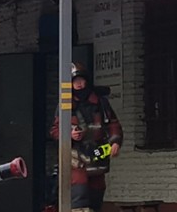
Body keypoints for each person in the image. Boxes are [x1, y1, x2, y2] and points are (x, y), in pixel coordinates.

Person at [48, 63, 122, 212]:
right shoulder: (65, 104)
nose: (79, 84)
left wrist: (115, 142)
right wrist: (69, 134)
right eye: (75, 81)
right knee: (79, 197)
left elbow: (113, 124)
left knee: (96, 195)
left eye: (81, 80)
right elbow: (55, 130)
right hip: (77, 158)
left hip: (97, 154)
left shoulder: (101, 102)